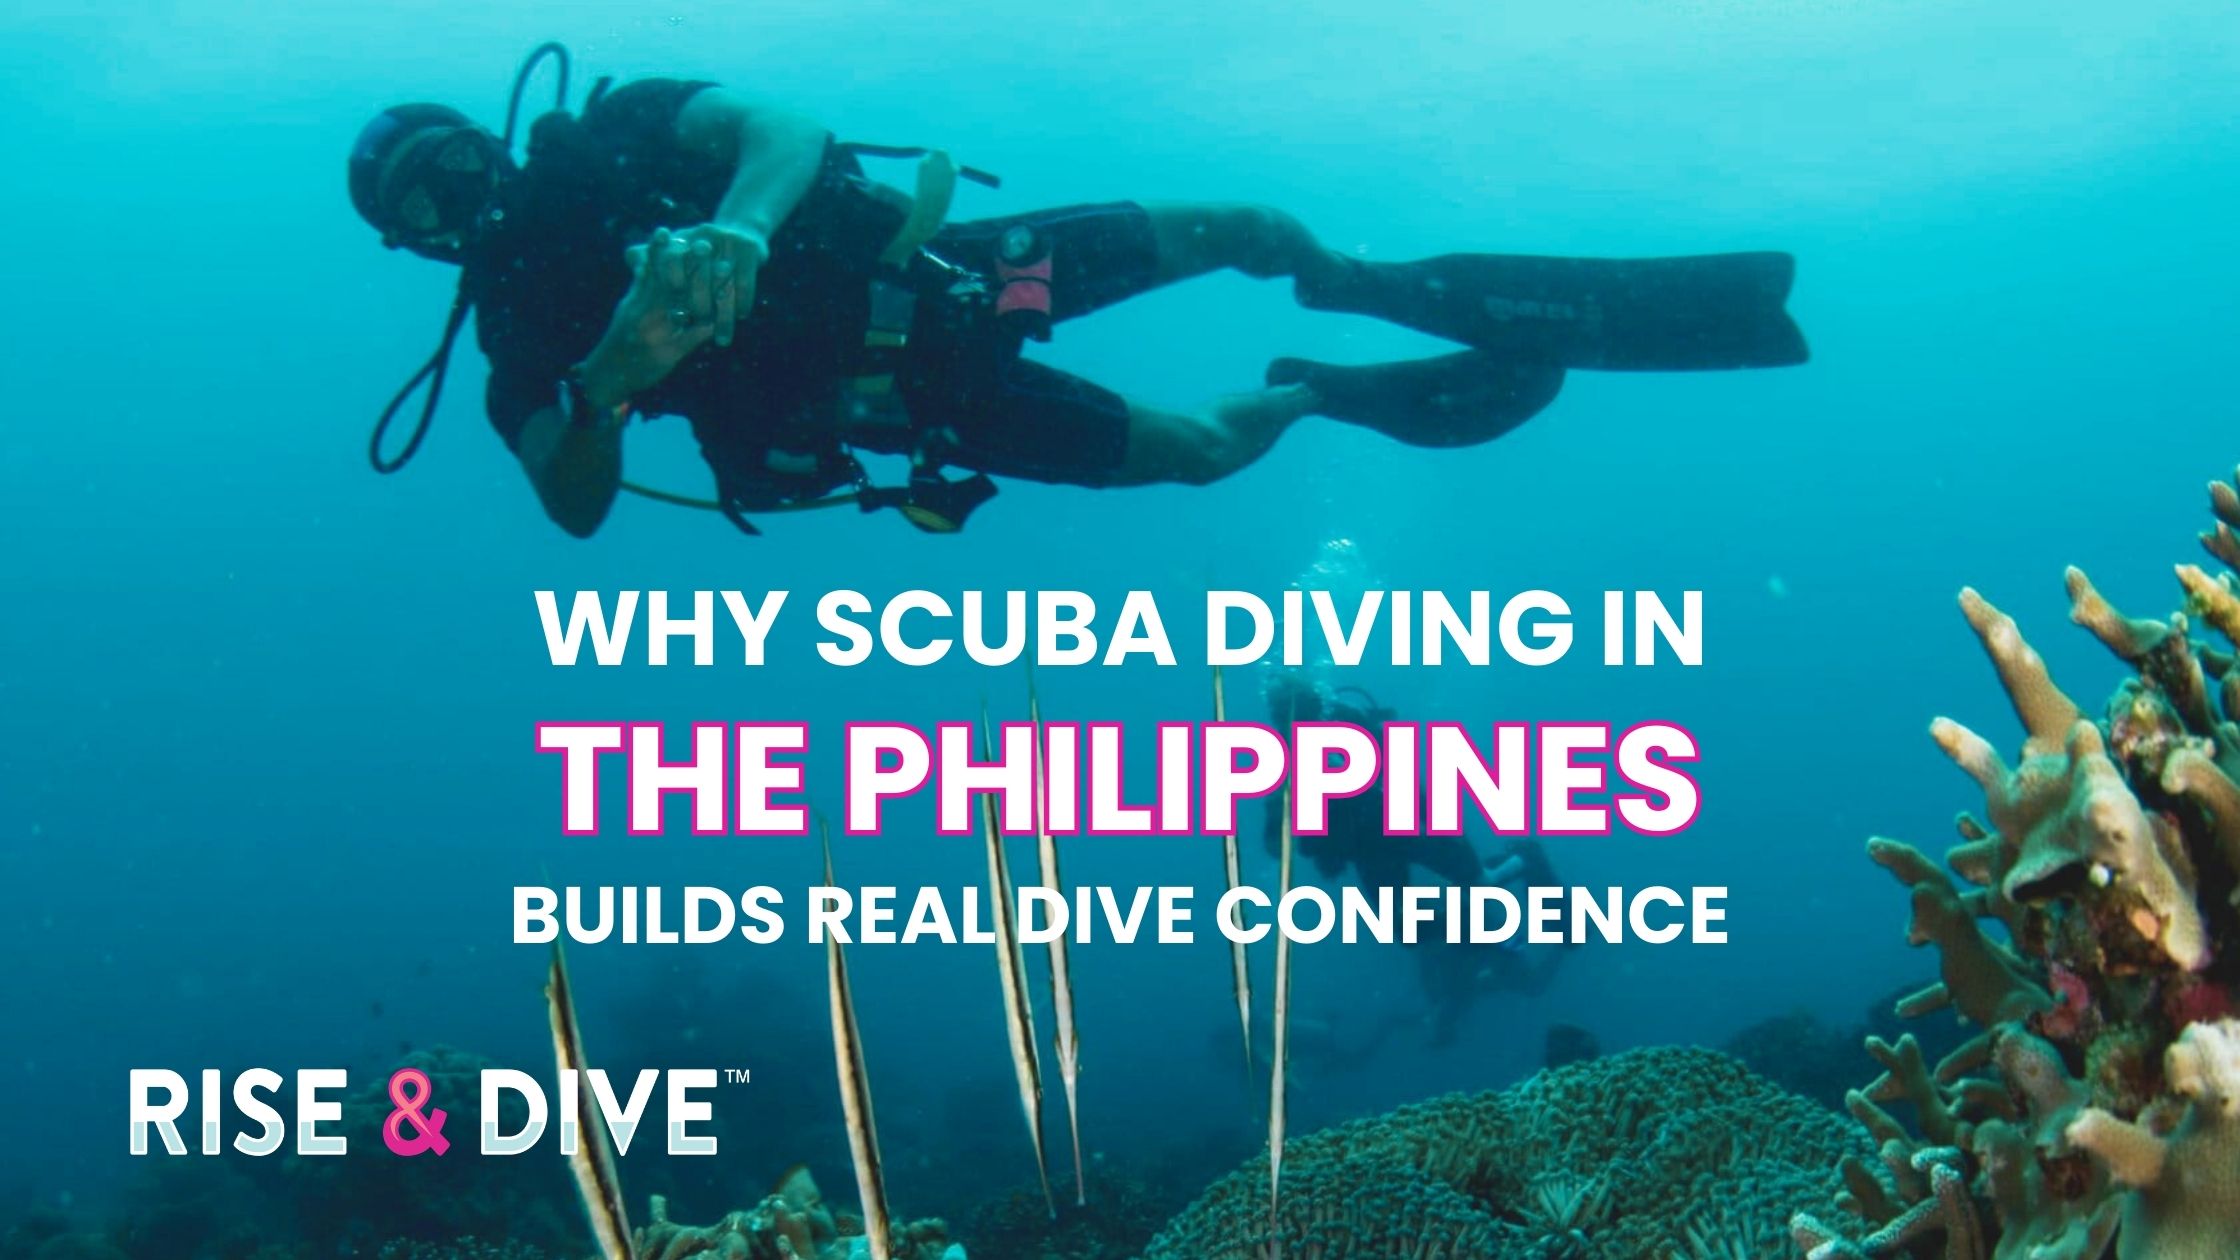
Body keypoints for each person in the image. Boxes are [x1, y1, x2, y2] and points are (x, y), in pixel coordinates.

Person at [351, 48, 1809, 536]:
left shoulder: (618, 130)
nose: (450, 195)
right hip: (918, 401)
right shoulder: (513, 338)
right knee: (1193, 455)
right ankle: (1314, 394)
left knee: (1237, 218)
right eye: (413, 204)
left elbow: (780, 132)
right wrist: (613, 371)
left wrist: (733, 235)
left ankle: (1354, 284)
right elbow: (574, 500)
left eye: (447, 159)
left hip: (968, 284)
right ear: (410, 247)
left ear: (489, 132)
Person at [1260, 669, 1571, 1046]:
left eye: (1287, 713)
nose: (1287, 723)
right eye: (1282, 717)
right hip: (1372, 849)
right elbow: (1279, 836)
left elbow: (1389, 780)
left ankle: (1524, 859)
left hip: (1402, 824)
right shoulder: (1289, 760)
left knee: (1479, 883)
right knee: (1409, 929)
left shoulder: (1338, 730)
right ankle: (1473, 936)